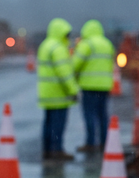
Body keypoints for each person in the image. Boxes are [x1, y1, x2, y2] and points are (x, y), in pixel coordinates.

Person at [37, 17, 79, 160]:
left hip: (46, 93)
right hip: (58, 94)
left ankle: (47, 150)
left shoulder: (45, 45)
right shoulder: (59, 48)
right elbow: (65, 73)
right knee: (58, 125)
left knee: (48, 124)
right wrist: (73, 90)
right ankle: (57, 150)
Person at [72, 19, 115, 152]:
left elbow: (75, 64)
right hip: (105, 86)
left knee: (89, 115)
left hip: (89, 86)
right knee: (103, 115)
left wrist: (75, 78)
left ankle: (90, 143)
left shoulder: (87, 45)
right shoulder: (108, 44)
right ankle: (104, 143)